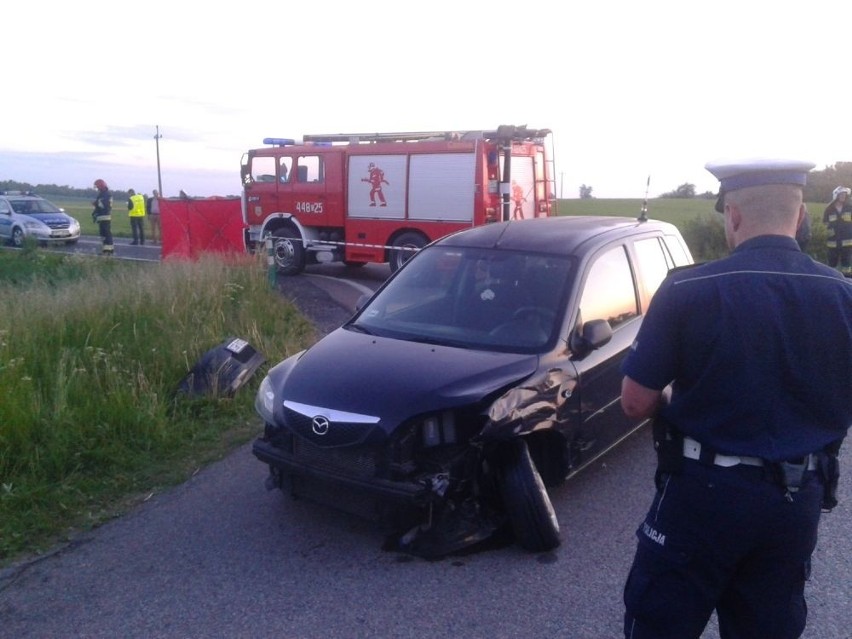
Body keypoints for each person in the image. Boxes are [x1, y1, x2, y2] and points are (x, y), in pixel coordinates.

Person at [619, 158, 852, 639]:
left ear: (734, 216)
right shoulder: (843, 295)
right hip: (795, 501)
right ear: (802, 216)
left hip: (701, 496)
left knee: (660, 621)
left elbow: (634, 402)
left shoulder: (688, 288)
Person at [823, 186, 852, 276]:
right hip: (833, 242)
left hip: (847, 242)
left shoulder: (849, 208)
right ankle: (832, 281)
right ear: (836, 196)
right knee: (832, 265)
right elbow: (825, 223)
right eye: (841, 195)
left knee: (846, 266)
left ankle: (848, 281)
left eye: (845, 195)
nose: (843, 196)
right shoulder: (829, 209)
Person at [92, 178, 114, 255]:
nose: (97, 188)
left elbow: (104, 205)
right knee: (103, 234)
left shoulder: (106, 194)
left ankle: (109, 251)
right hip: (102, 216)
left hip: (104, 216)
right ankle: (105, 250)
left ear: (101, 186)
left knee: (106, 234)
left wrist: (96, 203)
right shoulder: (103, 194)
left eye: (97, 187)